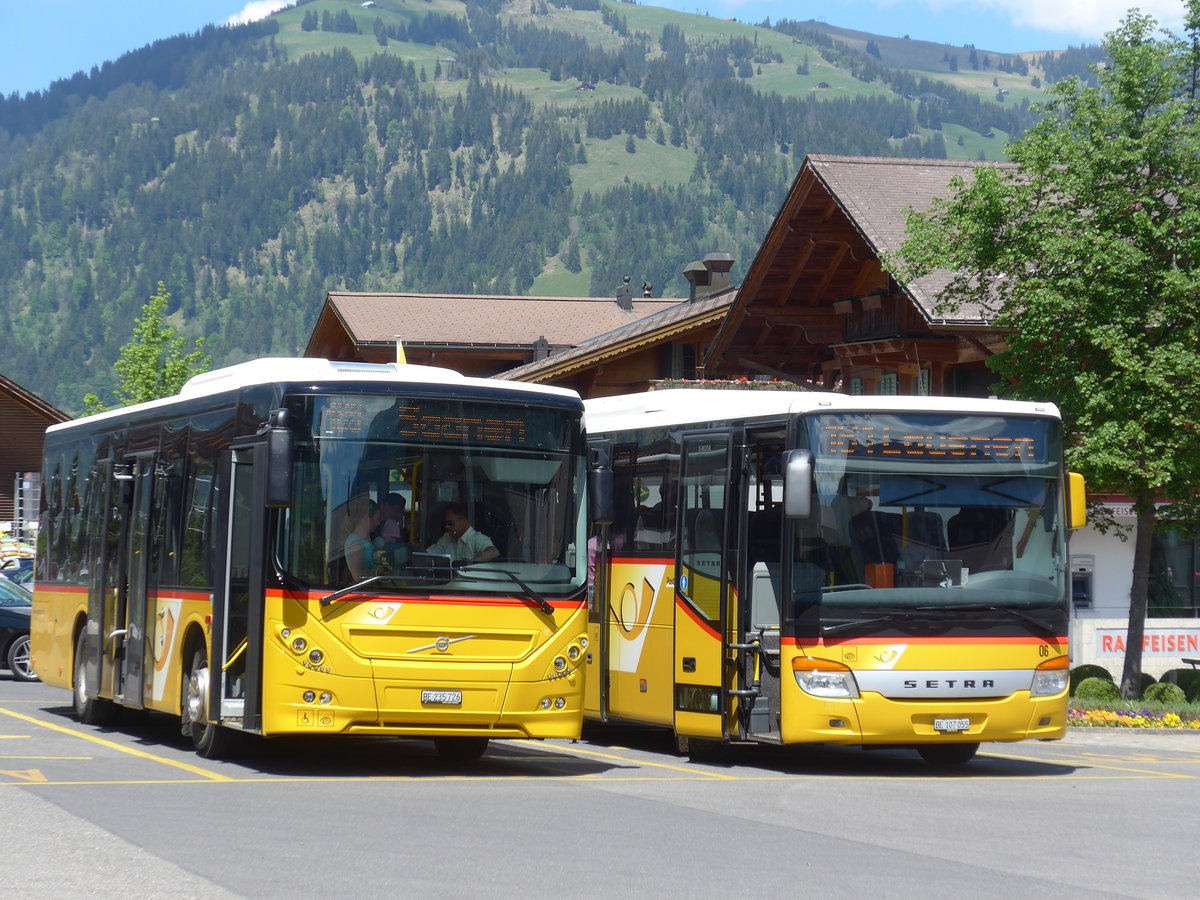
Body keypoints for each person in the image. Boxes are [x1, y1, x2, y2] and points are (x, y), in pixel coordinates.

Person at [427, 502, 498, 563]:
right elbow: (429, 555)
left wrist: (469, 566)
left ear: (464, 522)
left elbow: (493, 552)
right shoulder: (446, 538)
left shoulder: (477, 538)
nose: (447, 526)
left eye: (450, 523)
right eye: (446, 523)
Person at [343, 498, 379, 580]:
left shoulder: (366, 539)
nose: (378, 523)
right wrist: (378, 573)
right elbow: (357, 577)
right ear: (367, 518)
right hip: (364, 591)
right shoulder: (355, 544)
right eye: (376, 519)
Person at [375, 492, 413, 566]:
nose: (396, 512)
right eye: (393, 508)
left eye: (399, 509)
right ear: (382, 506)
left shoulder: (394, 527)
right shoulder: (390, 524)